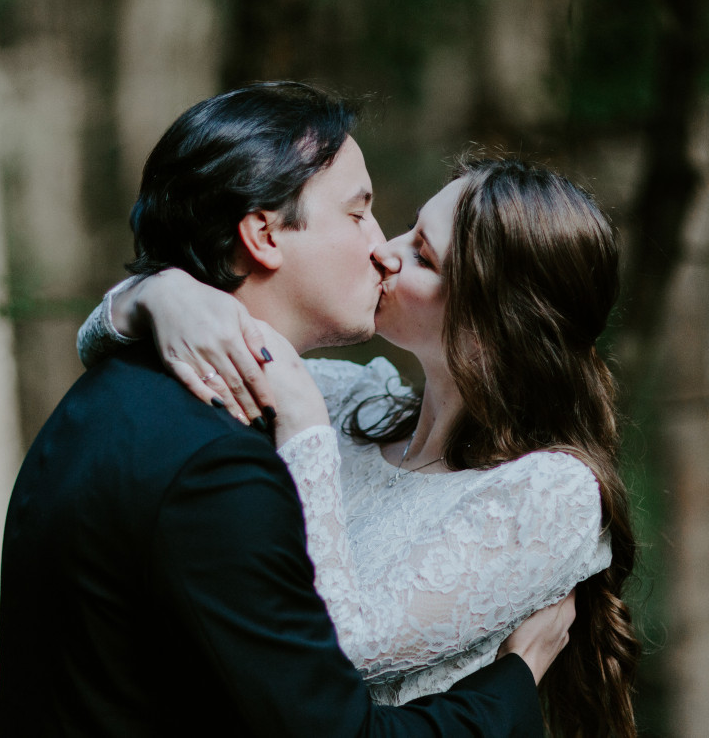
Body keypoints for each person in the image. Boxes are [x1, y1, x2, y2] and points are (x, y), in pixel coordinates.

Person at [0, 81, 574, 738]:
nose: (379, 247)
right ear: (264, 234)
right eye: (357, 213)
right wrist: (513, 679)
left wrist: (149, 293)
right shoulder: (215, 465)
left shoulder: (109, 394)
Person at [82, 155, 641, 737]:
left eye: (423, 256)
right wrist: (159, 294)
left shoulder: (548, 495)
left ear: (494, 324)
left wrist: (302, 429)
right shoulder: (352, 400)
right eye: (409, 227)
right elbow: (117, 348)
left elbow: (330, 649)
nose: (385, 252)